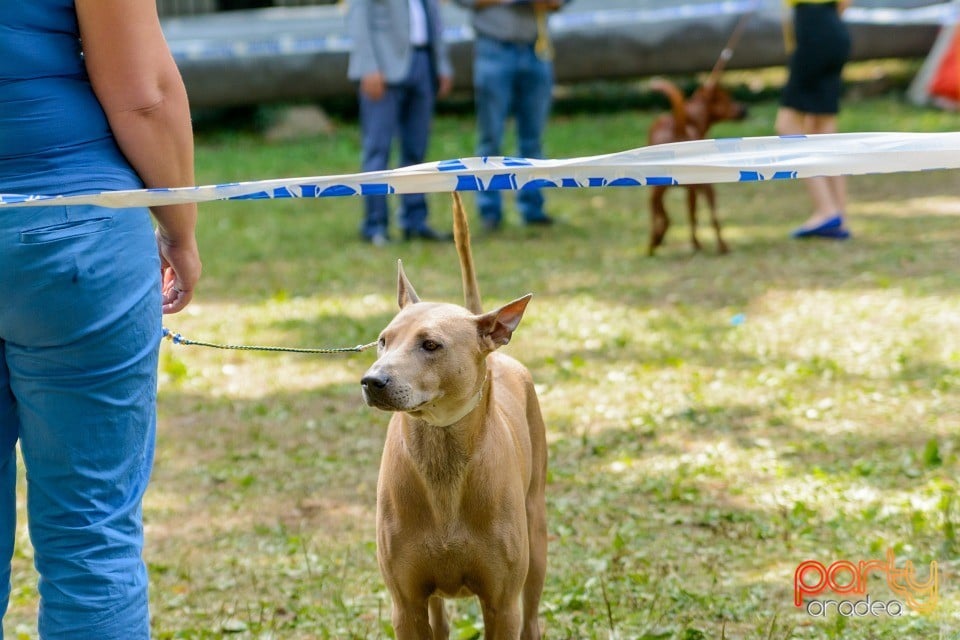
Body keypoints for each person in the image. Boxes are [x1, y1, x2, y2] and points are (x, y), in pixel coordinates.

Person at [0, 1, 201, 638]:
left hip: (65, 231)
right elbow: (144, 95)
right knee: (92, 530)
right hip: (71, 233)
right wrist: (181, 231)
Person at [452, 0, 569, 232]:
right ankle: (490, 212)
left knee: (532, 139)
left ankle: (533, 209)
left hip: (536, 48)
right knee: (491, 138)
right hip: (494, 48)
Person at [347, 0, 454, 245]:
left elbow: (434, 19)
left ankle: (414, 221)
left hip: (423, 62)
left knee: (417, 151)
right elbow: (358, 18)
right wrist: (368, 67)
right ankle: (375, 225)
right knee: (378, 152)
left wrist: (442, 64)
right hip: (383, 68)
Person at [775, 0, 853, 239]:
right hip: (835, 30)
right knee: (824, 129)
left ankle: (827, 211)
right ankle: (840, 215)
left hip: (813, 30)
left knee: (787, 125)